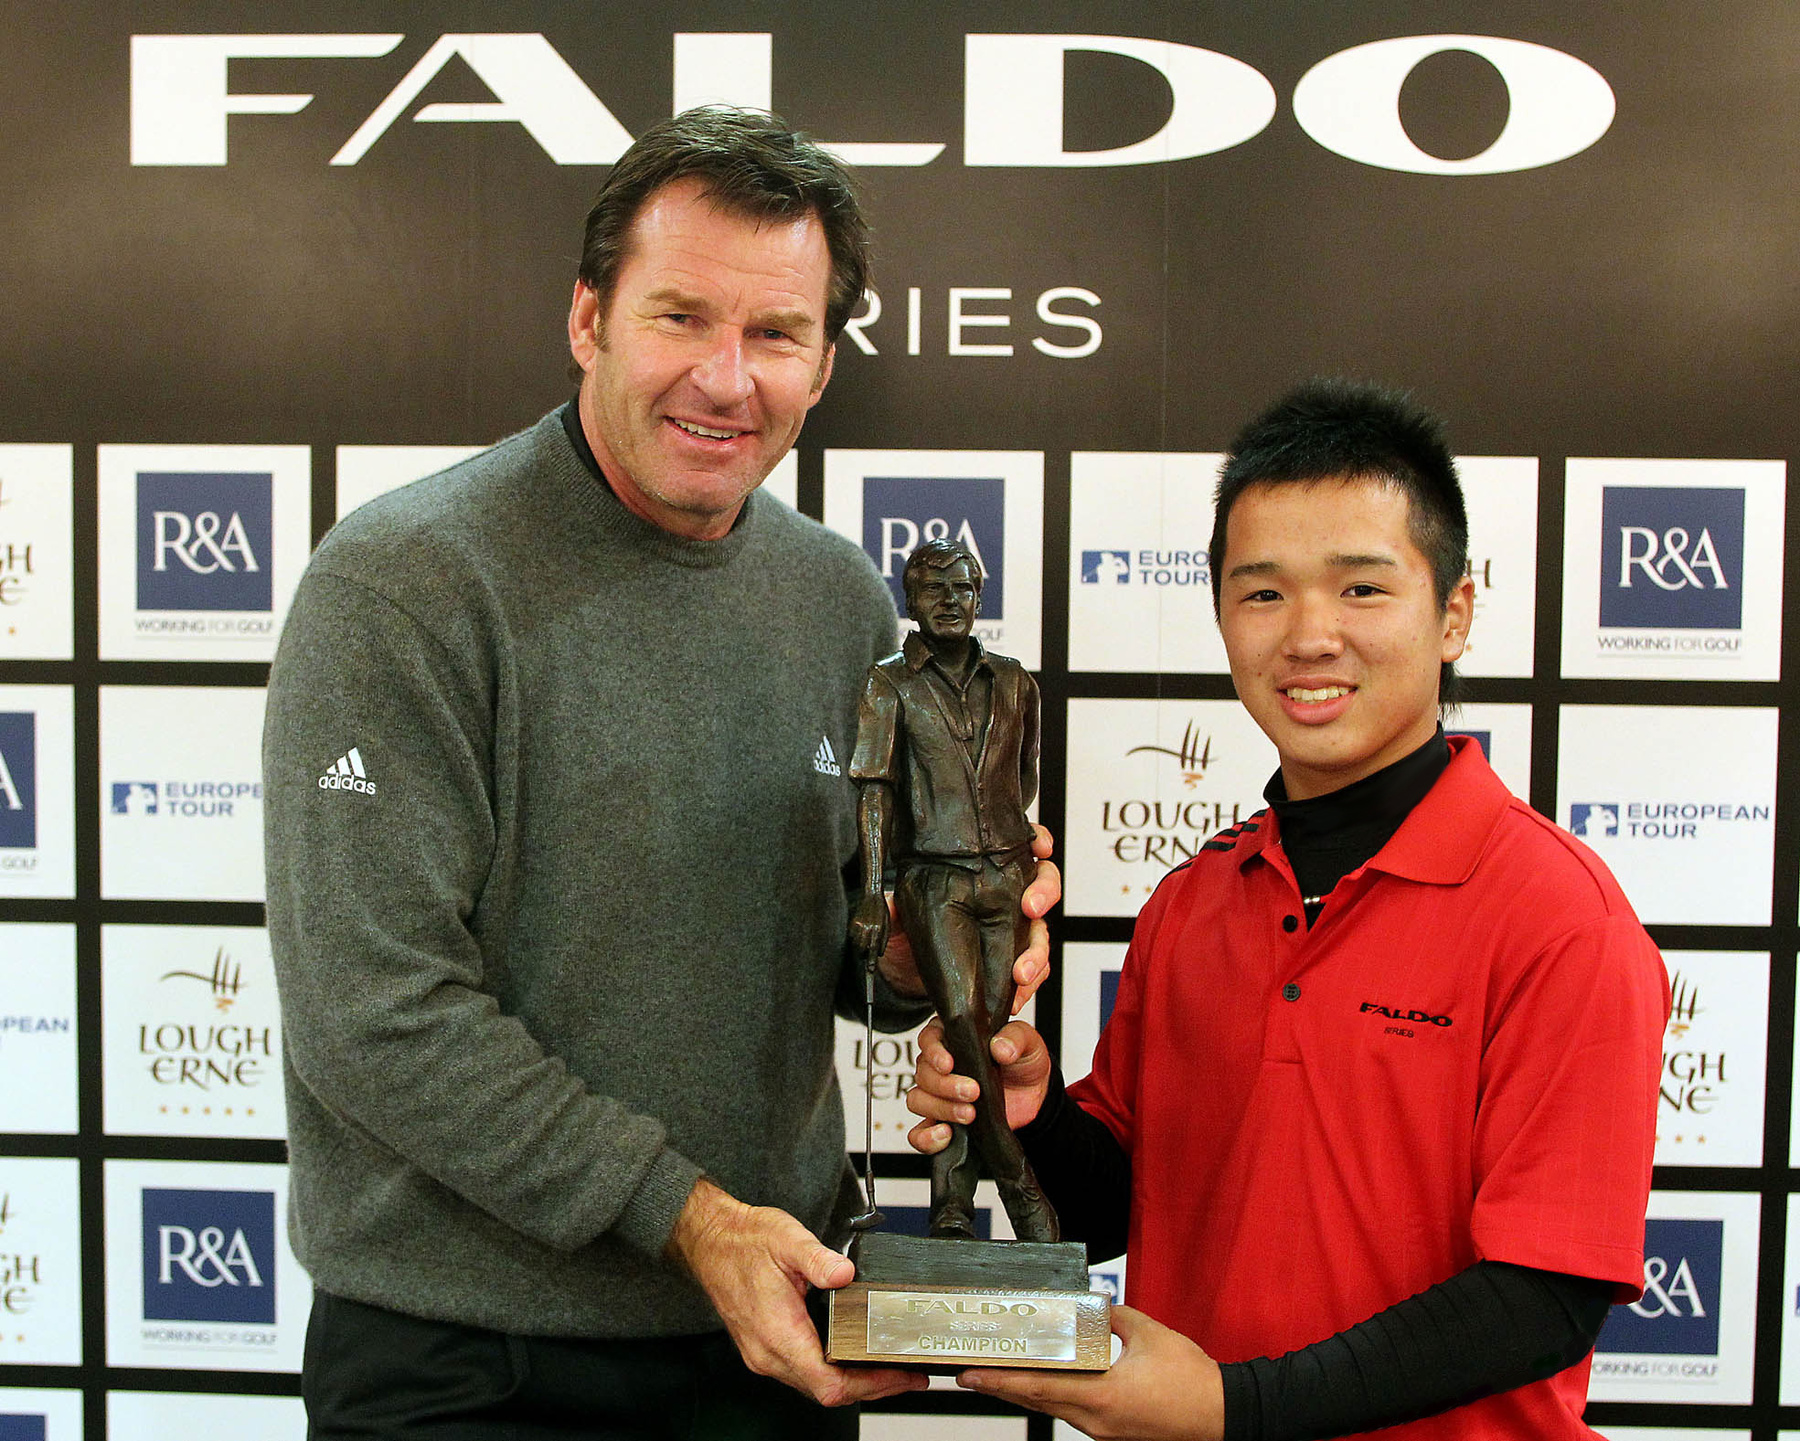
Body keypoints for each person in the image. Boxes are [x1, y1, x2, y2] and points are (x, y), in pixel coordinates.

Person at [263, 107, 1058, 1439]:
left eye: (775, 335)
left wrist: (926, 965)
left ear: (825, 361)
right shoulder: (407, 586)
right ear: (589, 320)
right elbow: (377, 1009)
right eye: (681, 317)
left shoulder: (838, 599)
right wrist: (681, 1215)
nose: (726, 378)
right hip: (473, 1367)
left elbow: (822, 954)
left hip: (764, 1342)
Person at [907, 379, 1668, 1440]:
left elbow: (1545, 1298)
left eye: (1362, 589)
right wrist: (1030, 1111)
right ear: (1221, 613)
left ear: (1453, 612)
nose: (1309, 635)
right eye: (1263, 593)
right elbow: (1120, 1204)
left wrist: (1235, 1409)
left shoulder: (1559, 917)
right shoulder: (1192, 902)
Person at [847, 537, 1058, 1243]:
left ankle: (952, 1209)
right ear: (910, 599)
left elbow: (1024, 782)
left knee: (981, 1040)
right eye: (935, 587)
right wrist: (876, 887)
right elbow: (874, 793)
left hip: (1006, 873)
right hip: (932, 879)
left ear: (980, 596)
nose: (950, 600)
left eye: (963, 588)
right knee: (965, 1020)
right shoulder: (888, 683)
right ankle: (1022, 1185)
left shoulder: (1016, 681)